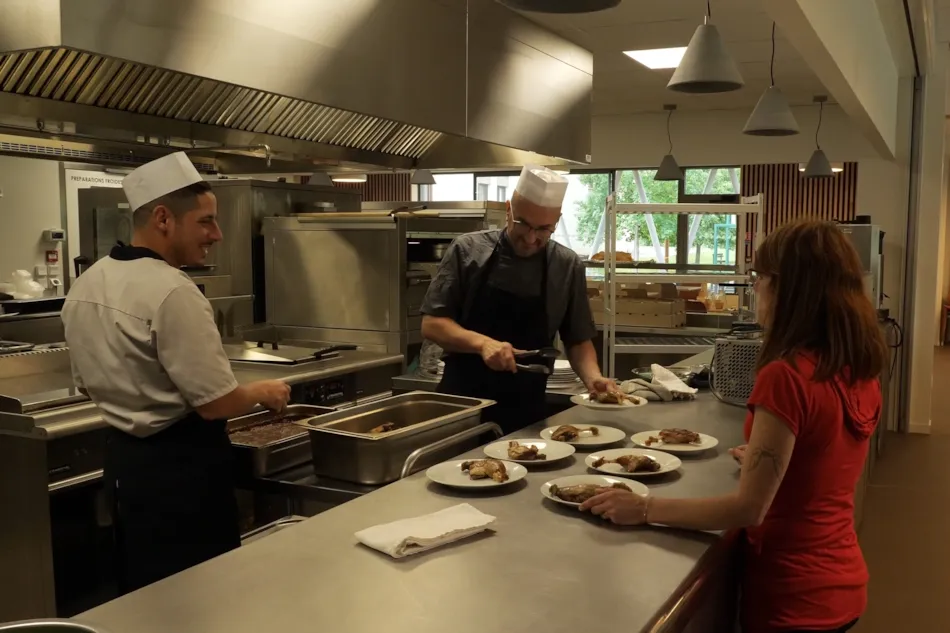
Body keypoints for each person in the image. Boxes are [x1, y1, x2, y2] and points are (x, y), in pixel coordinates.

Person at [580, 220, 887, 633]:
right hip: (843, 582)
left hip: (791, 596)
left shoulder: (787, 375)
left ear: (786, 287)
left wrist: (646, 508)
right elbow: (827, 457)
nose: (756, 287)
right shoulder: (857, 369)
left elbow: (749, 509)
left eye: (759, 277)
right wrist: (777, 460)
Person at [62, 152, 291, 593]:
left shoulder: (87, 284)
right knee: (201, 595)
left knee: (146, 593)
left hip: (125, 467)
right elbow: (216, 403)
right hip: (182, 474)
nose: (217, 235)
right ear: (164, 218)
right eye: (206, 222)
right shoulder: (173, 291)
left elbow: (85, 385)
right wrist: (262, 389)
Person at [420, 164, 613, 434]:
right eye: (523, 224)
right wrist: (483, 344)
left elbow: (578, 338)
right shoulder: (467, 250)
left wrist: (593, 379)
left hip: (526, 409)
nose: (531, 238)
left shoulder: (566, 265)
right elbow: (432, 324)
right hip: (462, 405)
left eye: (544, 229)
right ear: (509, 210)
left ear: (556, 221)